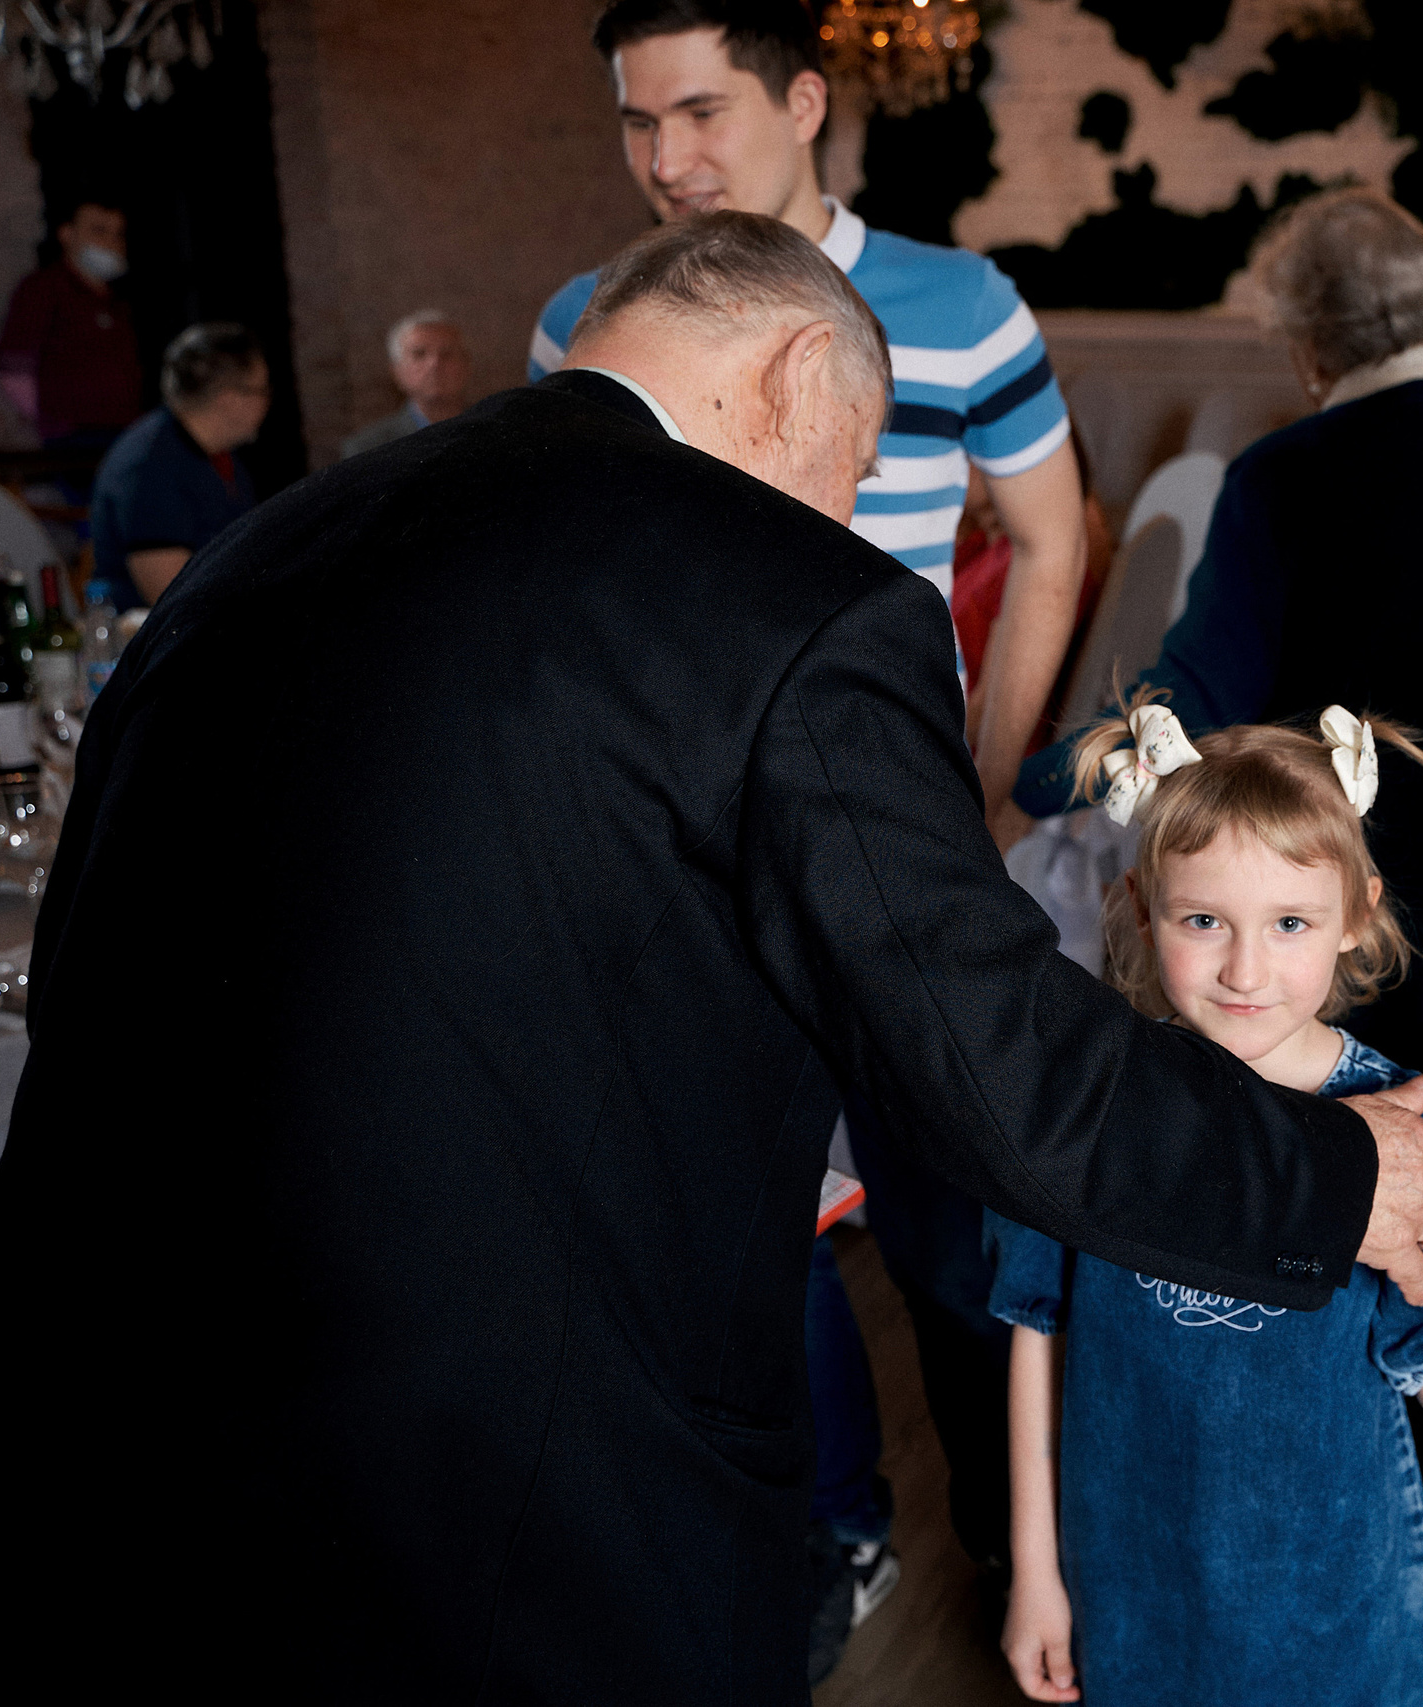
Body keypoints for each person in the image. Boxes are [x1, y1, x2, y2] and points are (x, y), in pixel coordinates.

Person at [0, 212, 1423, 1706]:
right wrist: (1334, 1176)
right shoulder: (799, 602)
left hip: (94, 1459)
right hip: (480, 1513)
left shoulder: (266, 544)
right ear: (797, 374)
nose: (848, 517)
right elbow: (995, 1060)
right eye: (855, 472)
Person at [535, 0, 1095, 1605]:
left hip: (886, 818)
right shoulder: (582, 314)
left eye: (701, 111)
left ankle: (1013, 1545)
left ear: (804, 98)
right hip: (676, 842)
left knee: (953, 1212)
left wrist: (986, 779)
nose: (668, 157)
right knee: (728, 1206)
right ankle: (826, 1529)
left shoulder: (958, 301)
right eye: (638, 124)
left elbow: (1054, 539)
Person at [1012, 185, 1423, 1538]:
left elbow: (1193, 690)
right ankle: (1410, 1537)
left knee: (1323, 1220)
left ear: (1304, 341)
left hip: (1316, 919)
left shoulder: (1286, 472)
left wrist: (1034, 773)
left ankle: (1290, 1521)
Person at [994, 696, 1423, 1707]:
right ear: (1139, 906)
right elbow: (1038, 1329)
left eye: (1288, 923)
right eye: (1202, 920)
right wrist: (1036, 1574)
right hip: (1131, 1597)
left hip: (1334, 1627)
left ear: (1356, 914)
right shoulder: (1083, 1113)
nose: (1243, 970)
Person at [88, 323, 270, 609]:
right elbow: (171, 597)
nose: (267, 402)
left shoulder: (218, 456)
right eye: (262, 390)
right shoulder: (149, 465)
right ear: (229, 399)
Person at [0, 199, 142, 453]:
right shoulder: (44, 290)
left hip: (124, 432)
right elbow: (13, 366)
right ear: (67, 234)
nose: (111, 242)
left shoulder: (115, 301)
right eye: (99, 231)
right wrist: (53, 421)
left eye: (118, 234)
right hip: (75, 439)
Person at [340, 311, 474, 459]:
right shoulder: (369, 449)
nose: (434, 364)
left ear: (466, 365)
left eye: (446, 353)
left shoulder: (496, 431)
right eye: (419, 354)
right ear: (396, 372)